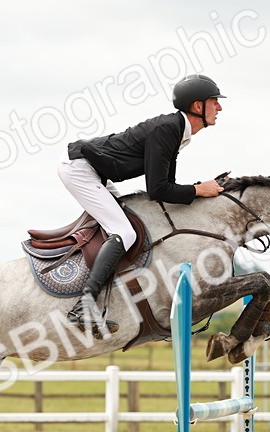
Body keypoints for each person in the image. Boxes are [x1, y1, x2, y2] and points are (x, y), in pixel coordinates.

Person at [58, 74, 227, 337]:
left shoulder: (179, 132)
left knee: (129, 225)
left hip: (96, 171)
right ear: (197, 106)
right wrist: (198, 190)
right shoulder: (168, 129)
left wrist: (198, 191)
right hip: (80, 169)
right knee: (125, 232)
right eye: (214, 102)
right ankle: (84, 305)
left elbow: (165, 187)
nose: (220, 108)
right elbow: (157, 189)